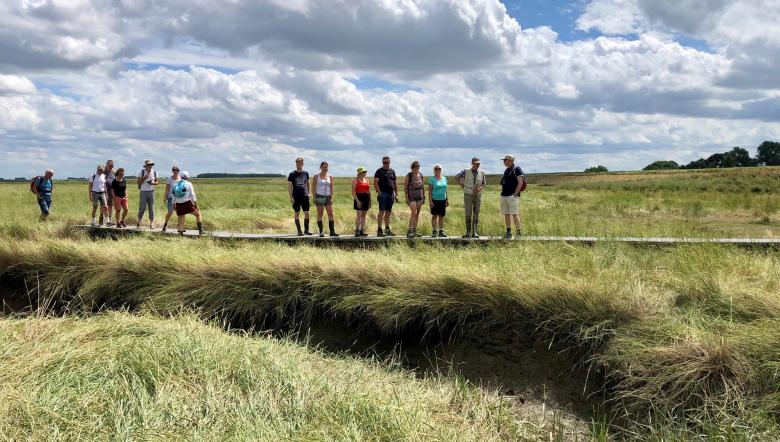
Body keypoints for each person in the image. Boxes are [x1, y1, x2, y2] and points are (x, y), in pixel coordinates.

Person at [456, 157, 487, 238]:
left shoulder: (482, 172)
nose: (478, 165)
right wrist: (462, 184)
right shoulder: (466, 171)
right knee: (468, 213)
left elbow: (484, 184)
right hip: (468, 194)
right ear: (472, 163)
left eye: (479, 163)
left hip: (478, 195)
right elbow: (456, 177)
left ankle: (475, 232)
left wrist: (480, 188)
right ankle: (468, 233)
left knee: (476, 214)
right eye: (476, 163)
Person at [500, 155, 525, 238]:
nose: (504, 162)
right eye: (504, 160)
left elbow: (520, 182)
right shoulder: (506, 170)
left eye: (505, 160)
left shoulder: (517, 169)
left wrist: (515, 194)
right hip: (504, 195)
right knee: (506, 214)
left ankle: (518, 233)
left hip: (512, 196)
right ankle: (508, 232)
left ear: (510, 160)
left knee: (515, 214)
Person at [312, 161, 339, 237]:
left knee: (331, 213)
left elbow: (331, 187)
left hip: (328, 197)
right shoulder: (316, 176)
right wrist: (314, 197)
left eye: (326, 167)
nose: (325, 168)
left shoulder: (330, 177)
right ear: (320, 167)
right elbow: (313, 187)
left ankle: (332, 232)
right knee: (320, 214)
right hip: (319, 196)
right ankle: (321, 232)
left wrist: (332, 197)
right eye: (323, 167)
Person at [373, 155, 398, 237]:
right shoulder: (379, 171)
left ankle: (387, 230)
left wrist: (396, 193)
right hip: (383, 193)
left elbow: (394, 183)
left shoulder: (392, 171)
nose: (385, 164)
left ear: (389, 162)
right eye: (384, 162)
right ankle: (379, 230)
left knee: (388, 212)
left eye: (387, 162)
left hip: (391, 194)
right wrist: (379, 193)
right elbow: (375, 182)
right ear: (382, 163)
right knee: (381, 212)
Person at [172, 171, 203, 235]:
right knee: (198, 214)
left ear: (180, 176)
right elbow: (192, 195)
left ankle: (180, 233)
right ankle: (200, 231)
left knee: (181, 218)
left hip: (178, 204)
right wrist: (195, 205)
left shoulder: (176, 184)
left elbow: (174, 195)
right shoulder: (189, 184)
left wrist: (173, 204)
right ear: (187, 177)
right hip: (187, 203)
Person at [288, 157, 312, 236]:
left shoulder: (306, 173)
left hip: (305, 196)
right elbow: (289, 187)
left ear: (302, 164)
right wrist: (291, 197)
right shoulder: (292, 174)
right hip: (296, 196)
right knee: (297, 213)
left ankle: (306, 230)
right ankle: (299, 231)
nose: (299, 165)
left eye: (300, 163)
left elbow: (308, 183)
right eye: (297, 163)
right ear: (296, 164)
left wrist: (309, 193)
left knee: (307, 213)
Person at [403, 161, 425, 238]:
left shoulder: (421, 175)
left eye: (418, 167)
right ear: (412, 168)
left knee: (417, 213)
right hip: (411, 195)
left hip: (420, 195)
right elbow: (405, 188)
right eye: (415, 167)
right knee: (413, 213)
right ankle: (410, 230)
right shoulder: (409, 175)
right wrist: (406, 198)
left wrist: (424, 196)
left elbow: (423, 187)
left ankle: (414, 230)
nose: (416, 168)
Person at [427, 164, 448, 238]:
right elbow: (429, 191)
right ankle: (434, 231)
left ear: (441, 170)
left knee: (441, 216)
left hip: (443, 199)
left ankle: (441, 231)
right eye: (436, 169)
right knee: (435, 216)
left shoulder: (444, 178)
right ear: (434, 170)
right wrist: (430, 201)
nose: (438, 170)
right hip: (434, 200)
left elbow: (446, 190)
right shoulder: (431, 179)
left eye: (439, 169)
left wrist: (447, 199)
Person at [136, 159, 159, 229]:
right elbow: (138, 183)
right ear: (145, 166)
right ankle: (139, 222)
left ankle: (151, 223)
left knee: (151, 208)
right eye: (149, 165)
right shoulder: (142, 172)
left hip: (151, 191)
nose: (150, 166)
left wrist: (153, 183)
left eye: (151, 165)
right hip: (143, 192)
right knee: (142, 208)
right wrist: (144, 178)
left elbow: (157, 182)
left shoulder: (155, 172)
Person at [352, 167, 371, 237]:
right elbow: (353, 192)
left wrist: (369, 201)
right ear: (359, 173)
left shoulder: (367, 180)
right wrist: (357, 201)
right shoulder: (355, 180)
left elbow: (368, 191)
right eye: (363, 172)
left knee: (364, 215)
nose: (365, 173)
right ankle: (357, 230)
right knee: (359, 215)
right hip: (358, 198)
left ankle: (362, 230)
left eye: (365, 172)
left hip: (366, 198)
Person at [162, 166, 181, 232]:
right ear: (172, 171)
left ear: (178, 171)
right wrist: (164, 197)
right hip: (171, 198)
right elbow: (167, 189)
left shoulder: (181, 179)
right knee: (170, 212)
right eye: (174, 170)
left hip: (179, 199)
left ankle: (179, 227)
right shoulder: (169, 179)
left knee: (179, 213)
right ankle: (165, 225)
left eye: (177, 170)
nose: (176, 171)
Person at [99, 160, 116, 226]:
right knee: (103, 205)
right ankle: (101, 218)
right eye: (110, 166)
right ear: (106, 165)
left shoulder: (113, 172)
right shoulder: (102, 171)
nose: (111, 167)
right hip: (102, 191)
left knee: (110, 205)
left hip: (111, 191)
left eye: (112, 166)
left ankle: (109, 220)